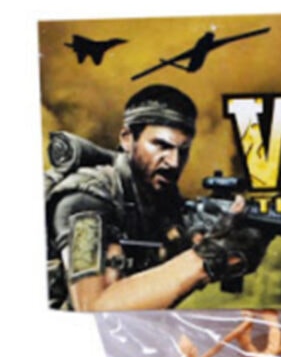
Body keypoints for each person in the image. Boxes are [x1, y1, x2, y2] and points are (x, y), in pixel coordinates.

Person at [47, 85, 264, 310]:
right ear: (127, 138)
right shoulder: (85, 201)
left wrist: (231, 251)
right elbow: (93, 306)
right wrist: (208, 255)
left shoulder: (163, 203)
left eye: (183, 150)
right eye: (161, 146)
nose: (174, 162)